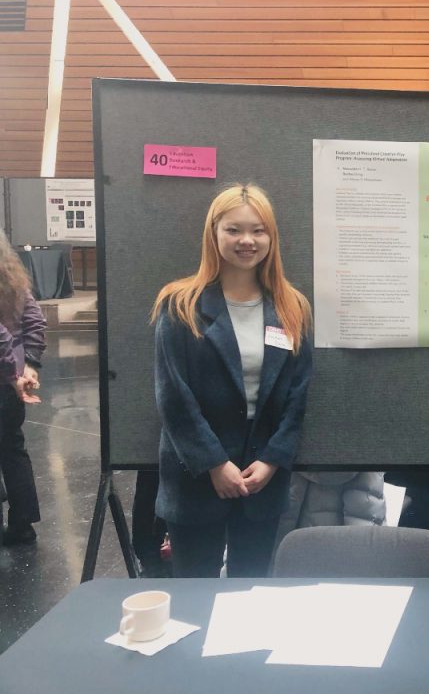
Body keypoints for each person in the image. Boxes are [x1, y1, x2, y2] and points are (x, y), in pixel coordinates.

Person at [152, 183, 312, 577]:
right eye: (234, 230)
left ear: (271, 237)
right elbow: (173, 395)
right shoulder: (180, 305)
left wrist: (273, 460)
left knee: (250, 595)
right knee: (195, 596)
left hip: (263, 475)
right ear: (213, 233)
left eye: (259, 230)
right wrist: (213, 464)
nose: (247, 240)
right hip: (196, 475)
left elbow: (298, 393)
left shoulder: (292, 307)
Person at [0, 231, 46, 547]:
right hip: (11, 382)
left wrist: (12, 373)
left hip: (6, 379)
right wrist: (28, 364)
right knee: (13, 450)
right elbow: (35, 321)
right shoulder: (13, 279)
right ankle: (22, 525)